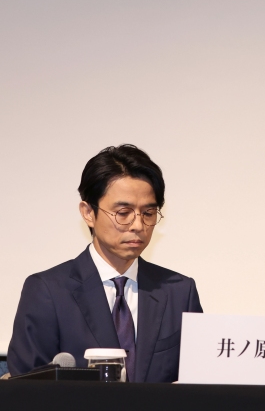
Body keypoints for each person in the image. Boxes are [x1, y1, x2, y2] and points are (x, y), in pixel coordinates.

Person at [8, 144, 202, 382]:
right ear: (88, 213)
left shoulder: (179, 292)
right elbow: (25, 390)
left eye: (148, 213)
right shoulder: (48, 291)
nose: (138, 225)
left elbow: (198, 383)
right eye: (123, 213)